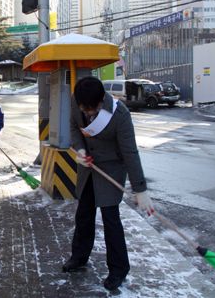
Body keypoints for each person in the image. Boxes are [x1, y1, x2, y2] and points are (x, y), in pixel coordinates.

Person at [63, 76, 154, 291]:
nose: (87, 113)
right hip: (88, 168)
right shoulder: (77, 102)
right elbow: (74, 127)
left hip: (111, 169)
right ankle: (79, 256)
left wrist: (140, 189)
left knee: (110, 219)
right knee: (83, 214)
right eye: (84, 109)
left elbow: (130, 153)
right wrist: (80, 150)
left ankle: (118, 269)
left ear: (102, 99)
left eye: (91, 110)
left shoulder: (120, 115)